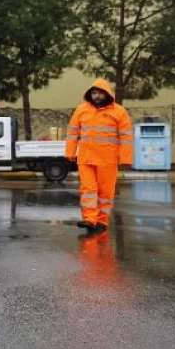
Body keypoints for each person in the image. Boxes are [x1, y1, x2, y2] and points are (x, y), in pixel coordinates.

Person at [65, 79, 133, 234]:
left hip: (107, 159)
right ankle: (89, 219)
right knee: (88, 189)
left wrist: (126, 158)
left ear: (107, 94)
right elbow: (73, 132)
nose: (96, 96)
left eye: (100, 93)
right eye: (94, 93)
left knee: (105, 192)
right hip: (86, 158)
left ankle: (101, 221)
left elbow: (126, 137)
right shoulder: (82, 110)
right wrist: (70, 152)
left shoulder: (119, 112)